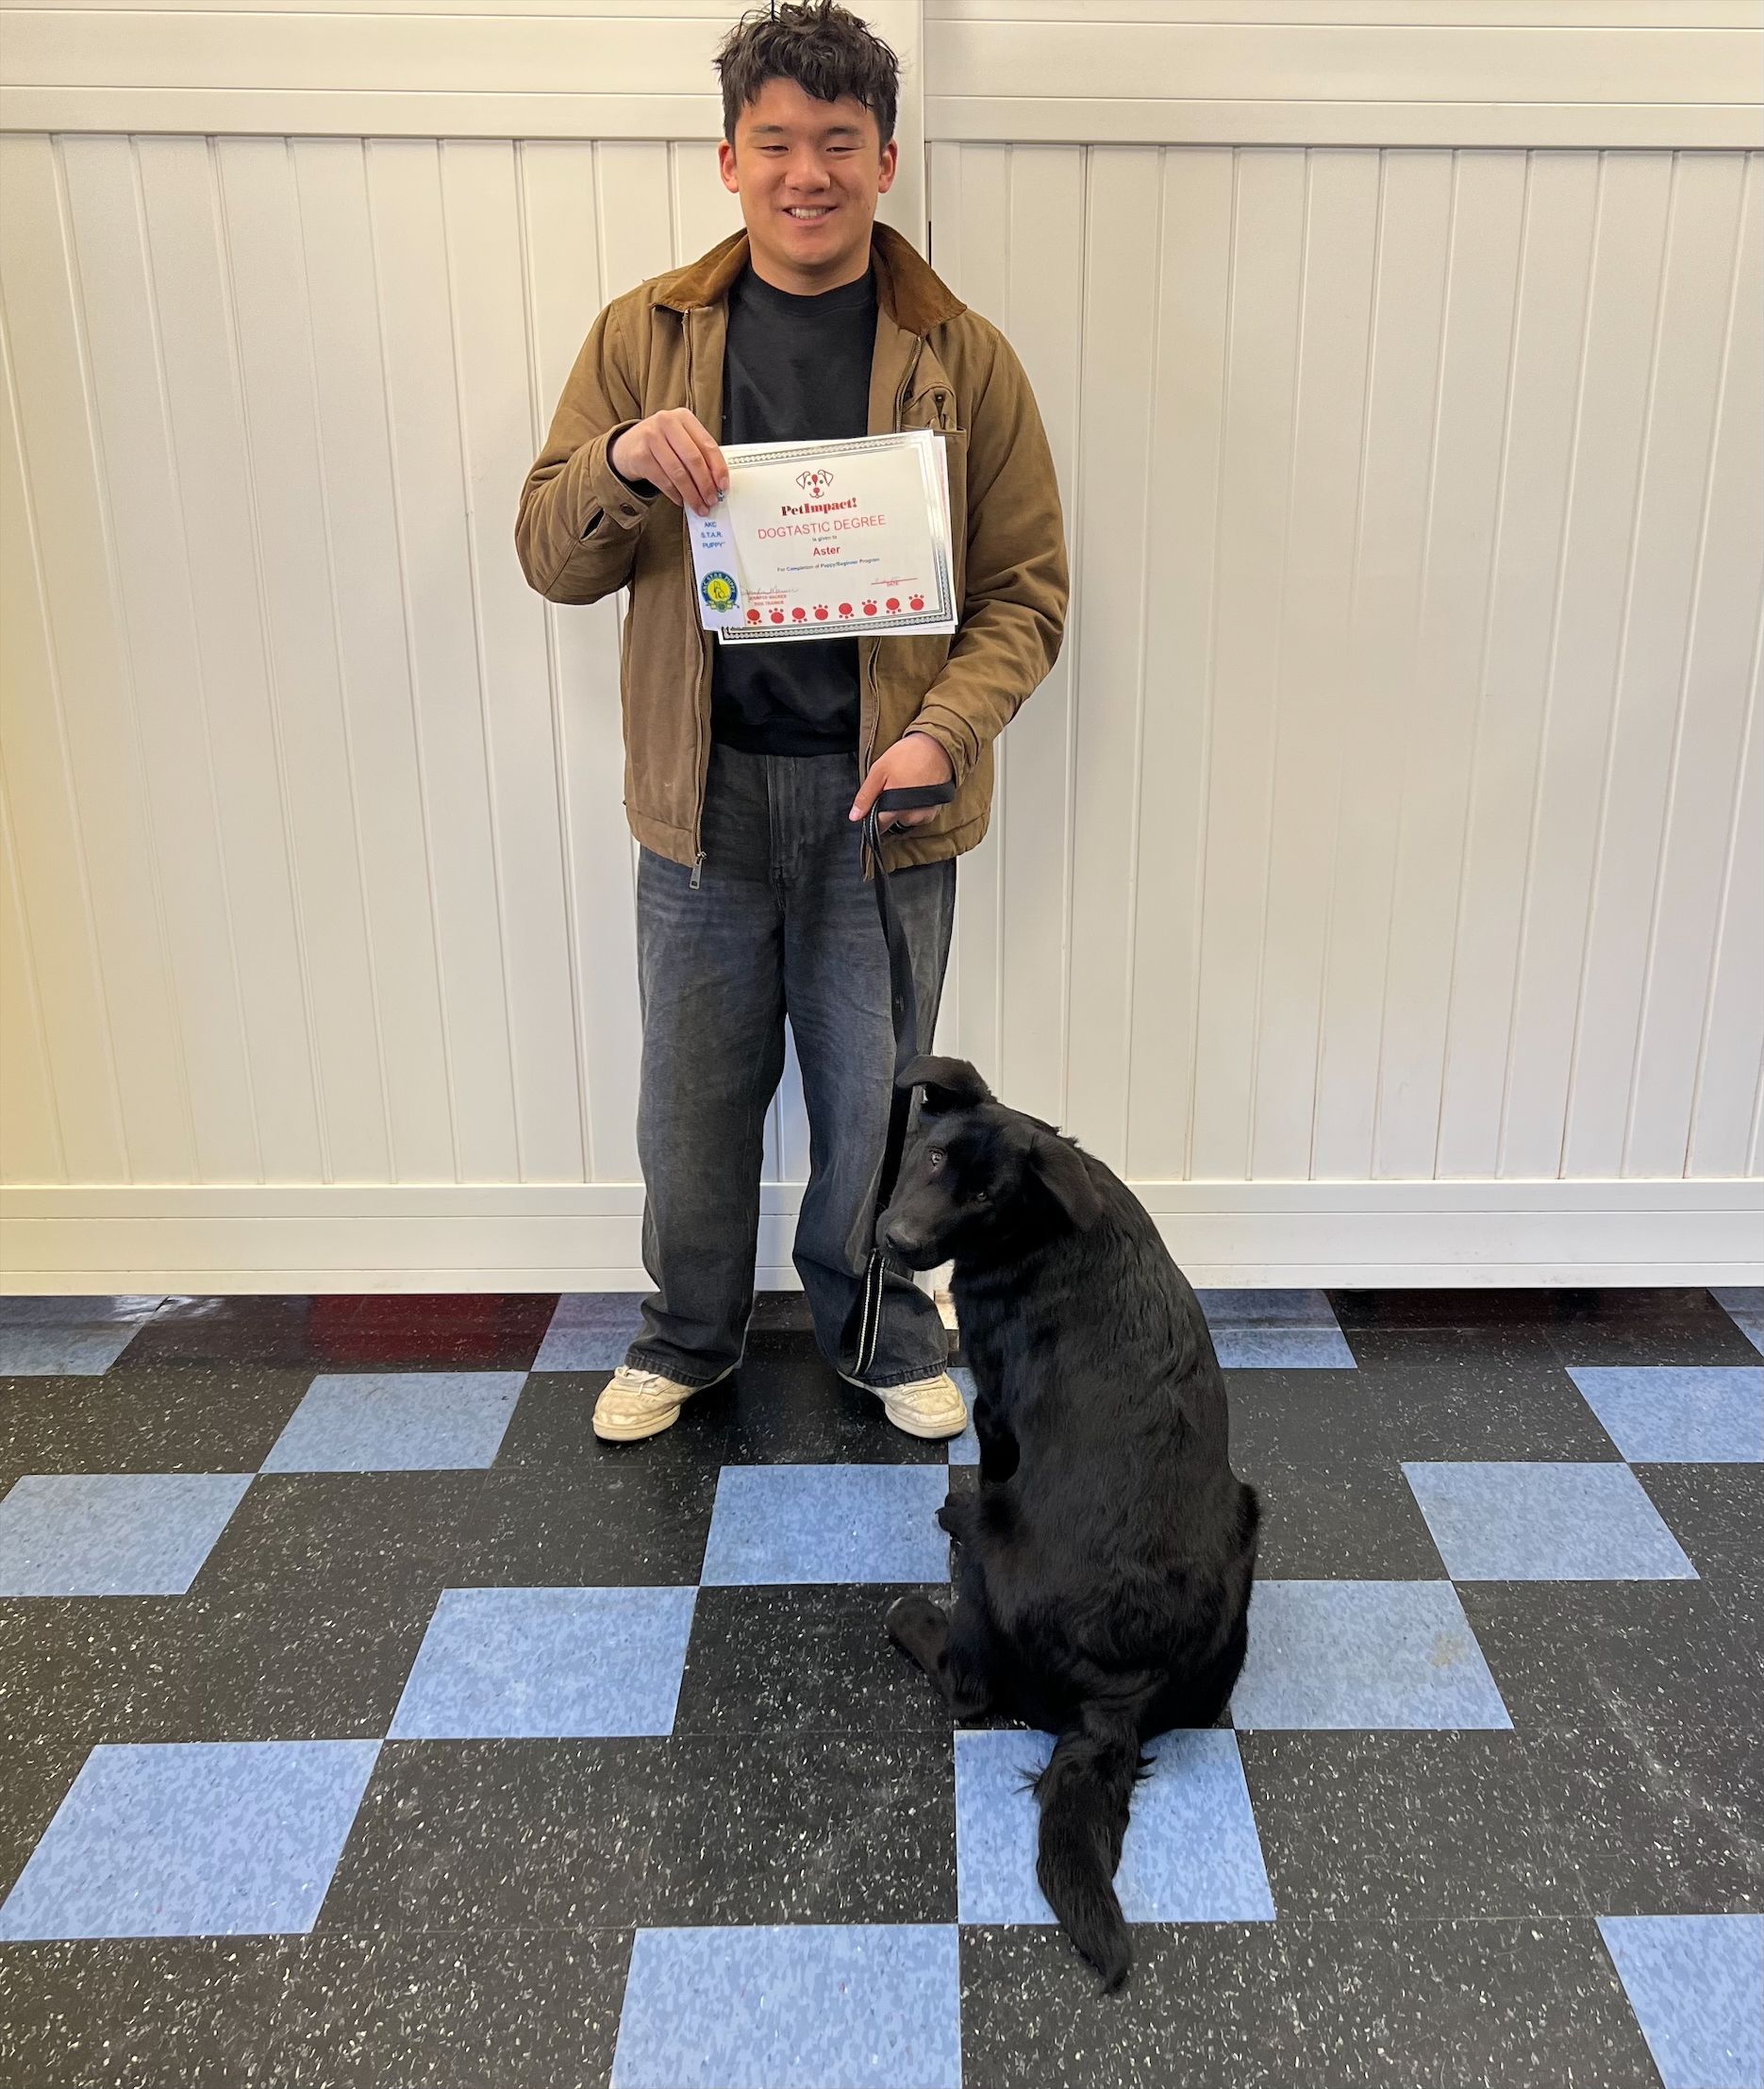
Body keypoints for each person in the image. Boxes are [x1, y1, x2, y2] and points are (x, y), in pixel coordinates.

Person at [515, 0, 1068, 1445]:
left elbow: (1025, 592)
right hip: (698, 801)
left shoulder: (964, 354)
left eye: (838, 142)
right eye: (776, 143)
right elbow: (549, 557)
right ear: (727, 160)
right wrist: (623, 462)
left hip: (884, 804)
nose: (805, 172)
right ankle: (684, 1333)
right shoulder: (644, 336)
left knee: (880, 1104)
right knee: (687, 1114)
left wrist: (943, 731)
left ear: (886, 159)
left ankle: (878, 1331)